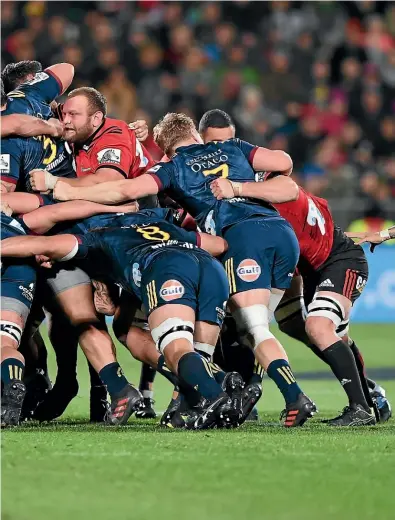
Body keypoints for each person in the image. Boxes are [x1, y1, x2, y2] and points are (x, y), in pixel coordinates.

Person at [53, 112, 317, 428]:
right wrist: (243, 183)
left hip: (241, 236)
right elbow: (283, 161)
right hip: (280, 232)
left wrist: (65, 189)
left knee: (252, 328)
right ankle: (198, 397)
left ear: (166, 148)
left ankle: (293, 395)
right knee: (251, 327)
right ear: (196, 134)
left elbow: (125, 191)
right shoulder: (234, 146)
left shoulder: (172, 167)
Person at [201, 109, 382, 426]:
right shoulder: (217, 182)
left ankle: (362, 407)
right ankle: (370, 395)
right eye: (213, 142)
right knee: (291, 325)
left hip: (337, 260)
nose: (220, 149)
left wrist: (238, 189)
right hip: (306, 264)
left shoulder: (252, 176)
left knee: (312, 327)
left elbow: (289, 189)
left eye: (226, 142)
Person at [1, 208, 244, 430]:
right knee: (196, 354)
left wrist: (47, 250)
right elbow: (220, 244)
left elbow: (38, 243)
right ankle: (220, 384)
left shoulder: (98, 237)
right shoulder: (159, 223)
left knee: (177, 349)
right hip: (210, 268)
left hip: (166, 268)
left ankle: (216, 399)